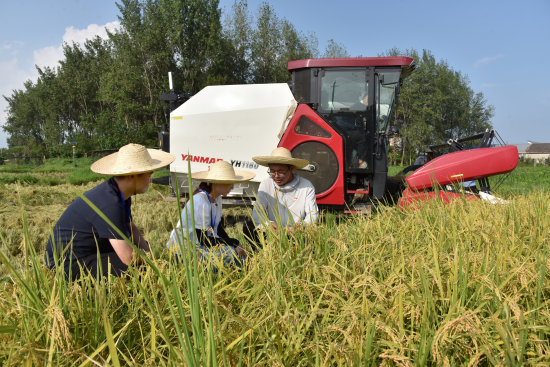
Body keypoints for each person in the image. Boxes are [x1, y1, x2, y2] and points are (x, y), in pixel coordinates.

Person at [45, 144, 175, 280]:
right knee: (137, 269)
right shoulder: (109, 203)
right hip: (68, 265)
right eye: (149, 175)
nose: (150, 180)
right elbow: (129, 258)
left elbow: (131, 226)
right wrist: (151, 261)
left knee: (142, 254)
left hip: (91, 252)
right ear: (133, 176)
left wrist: (151, 255)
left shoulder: (120, 194)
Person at [166, 161, 255, 267]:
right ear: (216, 182)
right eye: (230, 183)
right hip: (184, 251)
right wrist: (234, 242)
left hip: (200, 246)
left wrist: (234, 244)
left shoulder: (218, 198)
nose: (232, 187)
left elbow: (218, 228)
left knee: (240, 256)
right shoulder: (200, 201)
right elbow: (203, 239)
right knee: (230, 254)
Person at [243, 147, 318, 250]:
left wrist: (301, 225)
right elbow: (257, 212)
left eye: (281, 172)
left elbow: (313, 214)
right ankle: (263, 253)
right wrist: (267, 224)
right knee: (248, 226)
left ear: (291, 169)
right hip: (273, 232)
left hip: (296, 233)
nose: (276, 176)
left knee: (311, 237)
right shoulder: (266, 184)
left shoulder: (306, 186)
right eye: (272, 171)